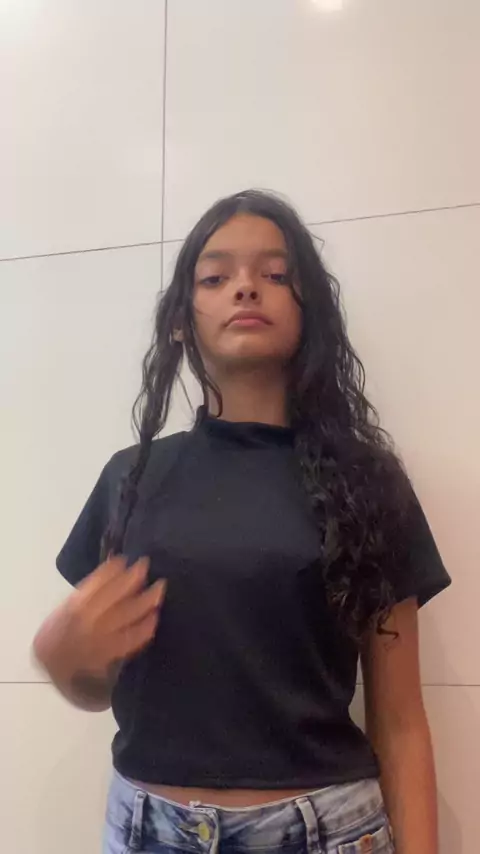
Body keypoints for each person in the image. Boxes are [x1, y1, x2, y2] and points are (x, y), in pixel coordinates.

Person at [33, 190, 451, 854]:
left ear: (309, 311)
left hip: (325, 832)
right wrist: (61, 659)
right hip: (147, 830)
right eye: (215, 276)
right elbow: (95, 686)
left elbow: (400, 723)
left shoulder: (368, 483)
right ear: (180, 320)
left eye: (276, 274)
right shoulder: (130, 478)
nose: (247, 287)